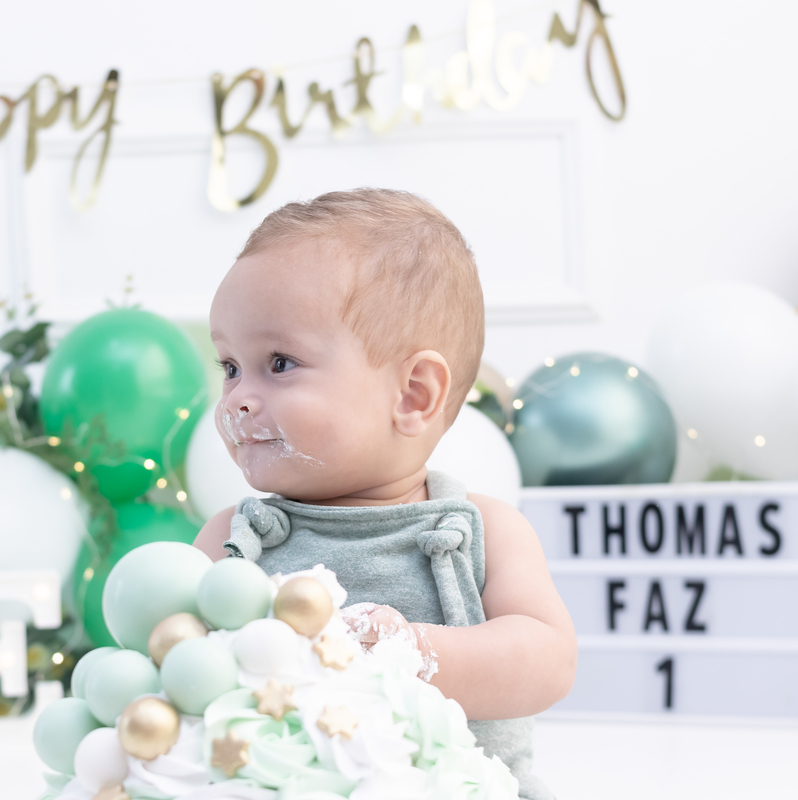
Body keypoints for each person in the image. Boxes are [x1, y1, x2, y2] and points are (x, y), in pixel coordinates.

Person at [192, 188, 575, 800]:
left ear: (413, 395)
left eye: (280, 362)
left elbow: (547, 660)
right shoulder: (231, 541)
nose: (237, 397)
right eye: (230, 366)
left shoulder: (480, 531)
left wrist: (413, 651)